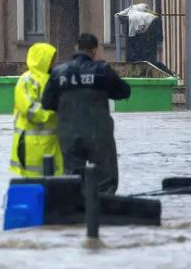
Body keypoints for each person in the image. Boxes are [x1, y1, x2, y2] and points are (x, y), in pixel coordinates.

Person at [41, 33, 131, 194]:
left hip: (69, 134)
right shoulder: (103, 71)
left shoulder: (59, 73)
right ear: (95, 50)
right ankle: (102, 211)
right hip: (99, 134)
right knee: (105, 181)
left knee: (72, 178)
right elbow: (124, 92)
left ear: (76, 47)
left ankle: (74, 211)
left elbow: (47, 103)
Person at [9, 43, 63, 178]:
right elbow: (29, 109)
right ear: (42, 59)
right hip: (31, 145)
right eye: (51, 59)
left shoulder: (53, 79)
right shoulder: (27, 80)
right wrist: (54, 114)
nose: (53, 63)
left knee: (54, 184)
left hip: (51, 144)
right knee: (34, 185)